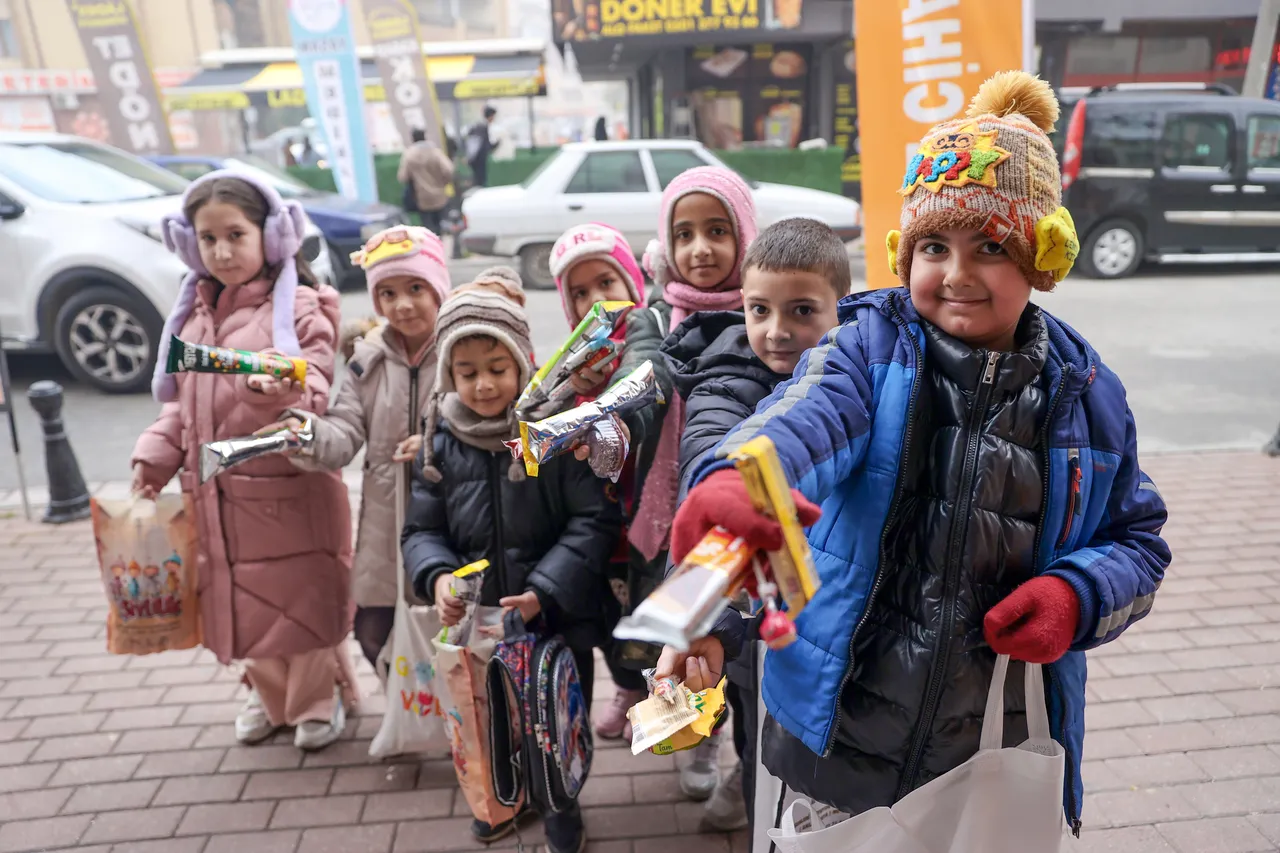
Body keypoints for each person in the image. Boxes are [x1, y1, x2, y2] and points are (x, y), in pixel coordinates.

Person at [659, 72, 1172, 835]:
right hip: (841, 742)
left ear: (1043, 255)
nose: (957, 273)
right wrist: (739, 479)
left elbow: (1139, 541)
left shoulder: (1089, 396)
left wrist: (1076, 595)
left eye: (991, 246)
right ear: (905, 253)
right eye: (935, 244)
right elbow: (799, 420)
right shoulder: (865, 351)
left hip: (993, 747)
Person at [131, 172, 356, 752]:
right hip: (219, 499)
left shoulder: (306, 309)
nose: (222, 251)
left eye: (236, 233)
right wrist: (155, 456)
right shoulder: (195, 318)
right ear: (190, 245)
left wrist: (271, 393)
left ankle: (314, 698)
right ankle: (266, 692)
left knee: (299, 604)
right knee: (241, 606)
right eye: (208, 239)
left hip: (289, 497)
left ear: (273, 236)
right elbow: (183, 406)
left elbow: (317, 397)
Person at [402, 289, 622, 852]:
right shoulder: (438, 441)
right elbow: (421, 532)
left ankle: (561, 802)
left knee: (555, 718)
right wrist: (439, 577)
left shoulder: (552, 431)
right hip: (481, 625)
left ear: (523, 362)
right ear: (448, 372)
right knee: (494, 719)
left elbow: (592, 521)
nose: (482, 385)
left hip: (556, 616)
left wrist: (543, 590)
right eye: (467, 371)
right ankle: (508, 794)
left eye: (497, 368)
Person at [660, 217, 847, 831]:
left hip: (837, 620)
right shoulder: (726, 383)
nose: (777, 331)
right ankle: (751, 811)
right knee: (756, 739)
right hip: (750, 629)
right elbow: (706, 478)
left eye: (801, 310)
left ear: (841, 309)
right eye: (759, 310)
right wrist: (695, 618)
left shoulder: (860, 379)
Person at [263, 226, 452, 672]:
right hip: (386, 521)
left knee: (448, 630)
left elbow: (492, 419)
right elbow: (344, 432)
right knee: (373, 630)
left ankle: (458, 723)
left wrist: (435, 442)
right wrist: (304, 432)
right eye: (387, 293)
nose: (402, 304)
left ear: (438, 287)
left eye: (415, 288)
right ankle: (407, 709)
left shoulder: (461, 348)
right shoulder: (367, 360)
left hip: (452, 516)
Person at [630, 165, 759, 801]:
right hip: (669, 515)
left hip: (738, 517)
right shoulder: (658, 318)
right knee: (688, 646)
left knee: (743, 655)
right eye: (683, 234)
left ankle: (744, 767)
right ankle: (697, 737)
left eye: (717, 231)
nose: (699, 249)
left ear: (745, 236)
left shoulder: (764, 317)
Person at [548, 222, 654, 741]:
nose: (598, 300)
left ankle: (697, 721)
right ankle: (630, 689)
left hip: (656, 518)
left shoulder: (657, 344)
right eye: (581, 292)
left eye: (607, 283)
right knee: (616, 619)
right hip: (604, 528)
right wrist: (574, 394)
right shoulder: (571, 367)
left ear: (632, 284)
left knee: (667, 619)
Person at [398, 128, 456, 233]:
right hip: (439, 195)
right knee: (441, 225)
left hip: (422, 197)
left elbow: (403, 177)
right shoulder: (435, 152)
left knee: (428, 228)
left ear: (413, 139)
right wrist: (444, 182)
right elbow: (449, 170)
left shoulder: (410, 155)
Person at [465, 106, 497, 188]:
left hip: (475, 159)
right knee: (479, 182)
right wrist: (496, 144)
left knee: (478, 180)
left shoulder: (478, 126)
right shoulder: (482, 127)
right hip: (479, 159)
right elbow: (483, 144)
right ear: (490, 116)